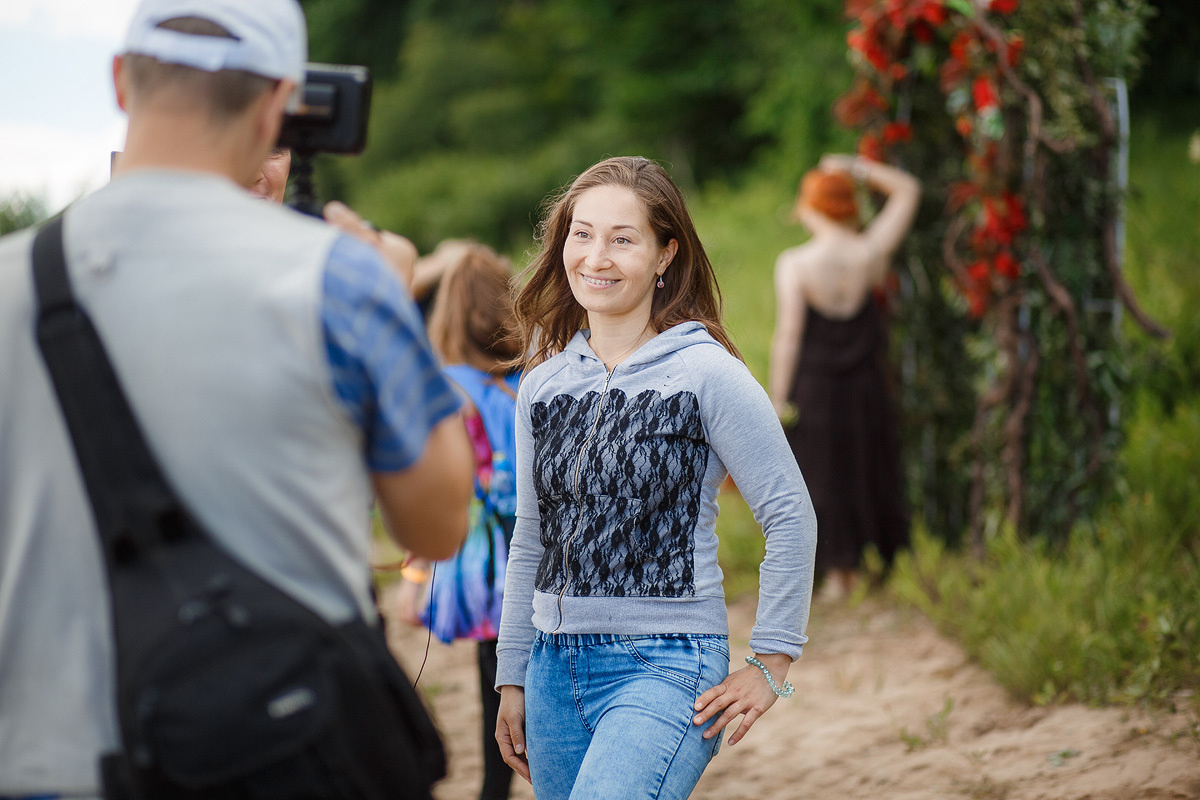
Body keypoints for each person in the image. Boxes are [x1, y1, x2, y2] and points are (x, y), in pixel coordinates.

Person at [0, 1, 474, 796]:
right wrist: (392, 312)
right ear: (279, 105)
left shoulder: (11, 281)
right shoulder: (340, 280)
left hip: (45, 757)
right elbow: (436, 520)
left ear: (121, 81)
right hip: (270, 742)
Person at [493, 156, 817, 800]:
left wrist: (772, 659)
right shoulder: (541, 384)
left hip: (667, 661)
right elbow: (532, 535)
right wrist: (512, 676)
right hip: (553, 669)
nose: (596, 257)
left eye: (622, 238)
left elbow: (790, 515)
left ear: (666, 254)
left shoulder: (707, 373)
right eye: (581, 235)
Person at [395, 242, 522, 800]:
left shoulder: (444, 389)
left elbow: (435, 495)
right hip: (547, 551)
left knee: (495, 679)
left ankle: (496, 788)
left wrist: (414, 578)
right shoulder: (537, 379)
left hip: (482, 560)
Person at [768, 153, 920, 599]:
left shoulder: (795, 263)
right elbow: (909, 190)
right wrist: (855, 166)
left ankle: (837, 576)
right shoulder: (871, 252)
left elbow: (789, 335)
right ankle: (876, 564)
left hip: (815, 386)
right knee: (864, 466)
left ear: (809, 207)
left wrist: (778, 398)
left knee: (820, 474)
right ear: (849, 207)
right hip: (866, 384)